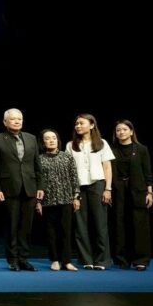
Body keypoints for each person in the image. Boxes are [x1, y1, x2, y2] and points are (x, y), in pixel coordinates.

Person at [0, 108, 40, 271]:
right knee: (11, 226)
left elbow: (37, 165)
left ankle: (24, 258)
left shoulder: (31, 138)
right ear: (5, 122)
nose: (17, 121)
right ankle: (12, 259)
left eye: (20, 118)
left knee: (26, 226)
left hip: (30, 187)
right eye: (13, 119)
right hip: (8, 188)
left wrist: (40, 186)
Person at [67, 113, 115, 270]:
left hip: (98, 184)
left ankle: (102, 260)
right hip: (78, 187)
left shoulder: (102, 143)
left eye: (81, 123)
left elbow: (107, 167)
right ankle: (86, 259)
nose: (78, 126)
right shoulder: (70, 145)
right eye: (76, 124)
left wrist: (108, 188)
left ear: (92, 125)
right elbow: (69, 170)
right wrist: (74, 194)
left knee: (100, 224)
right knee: (81, 225)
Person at [35, 129, 80, 271]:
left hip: (66, 199)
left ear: (58, 140)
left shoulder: (67, 157)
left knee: (66, 231)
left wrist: (76, 197)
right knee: (51, 232)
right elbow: (37, 181)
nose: (51, 140)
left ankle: (66, 261)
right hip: (48, 200)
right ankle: (54, 260)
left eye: (54, 138)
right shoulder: (39, 159)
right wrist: (38, 202)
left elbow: (74, 177)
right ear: (43, 142)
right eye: (47, 138)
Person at [112, 120, 153, 270]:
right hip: (118, 189)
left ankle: (141, 260)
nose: (121, 132)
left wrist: (150, 192)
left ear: (131, 131)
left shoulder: (141, 149)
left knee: (139, 224)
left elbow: (147, 172)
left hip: (137, 189)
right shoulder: (111, 149)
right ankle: (122, 259)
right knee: (119, 224)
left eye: (124, 129)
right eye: (118, 130)